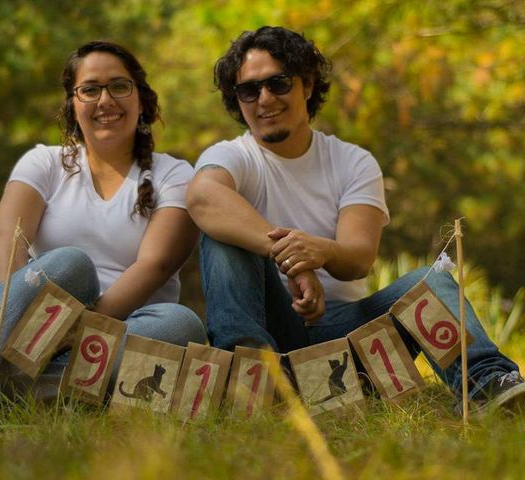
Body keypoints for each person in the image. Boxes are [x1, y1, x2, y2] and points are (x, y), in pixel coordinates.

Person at [186, 26, 525, 415]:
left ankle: (488, 384)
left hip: (350, 341)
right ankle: (248, 386)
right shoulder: (232, 156)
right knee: (222, 235)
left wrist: (319, 252)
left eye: (278, 83)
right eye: (249, 90)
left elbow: (358, 259)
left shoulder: (352, 161)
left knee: (427, 281)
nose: (264, 99)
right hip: (271, 333)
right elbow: (202, 197)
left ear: (307, 85)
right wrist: (293, 261)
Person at [0, 40, 206, 422]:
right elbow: (4, 240)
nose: (105, 99)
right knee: (70, 265)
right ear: (73, 105)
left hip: (121, 334)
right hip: (36, 326)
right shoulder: (44, 162)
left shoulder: (174, 175)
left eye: (119, 86)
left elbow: (156, 264)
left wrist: (76, 334)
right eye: (90, 89)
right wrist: (15, 327)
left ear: (141, 99)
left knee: (180, 325)